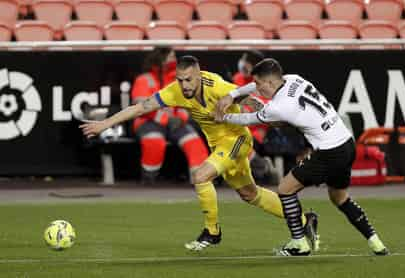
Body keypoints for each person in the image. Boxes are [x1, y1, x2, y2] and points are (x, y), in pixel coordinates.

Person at [80, 55, 318, 252]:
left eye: (189, 80)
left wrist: (272, 115)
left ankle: (212, 231)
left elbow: (248, 99)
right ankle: (305, 220)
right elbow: (141, 107)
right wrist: (104, 124)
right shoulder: (176, 91)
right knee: (250, 194)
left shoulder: (217, 86)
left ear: (199, 74)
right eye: (180, 80)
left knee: (201, 175)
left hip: (236, 140)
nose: (184, 86)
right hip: (219, 146)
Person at [215, 58, 388, 256]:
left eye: (259, 84)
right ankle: (376, 243)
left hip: (329, 151)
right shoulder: (293, 79)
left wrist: (223, 117)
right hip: (347, 143)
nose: (257, 87)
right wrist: (233, 94)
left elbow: (247, 119)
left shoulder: (278, 107)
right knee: (339, 198)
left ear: (270, 82)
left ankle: (299, 243)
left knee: (285, 189)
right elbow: (270, 107)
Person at [130, 47, 208, 184]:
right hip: (148, 122)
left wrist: (182, 118)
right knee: (154, 142)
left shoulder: (178, 79)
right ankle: (149, 179)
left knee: (194, 143)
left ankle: (201, 182)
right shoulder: (144, 79)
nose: (175, 60)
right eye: (171, 57)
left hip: (176, 123)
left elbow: (189, 104)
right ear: (161, 58)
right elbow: (141, 107)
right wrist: (166, 119)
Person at [233, 50, 278, 184]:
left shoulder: (267, 84)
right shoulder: (237, 79)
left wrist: (249, 110)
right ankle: (259, 164)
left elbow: (270, 111)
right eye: (243, 61)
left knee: (237, 144)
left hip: (258, 129)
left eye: (247, 63)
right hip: (237, 126)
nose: (243, 65)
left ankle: (261, 166)